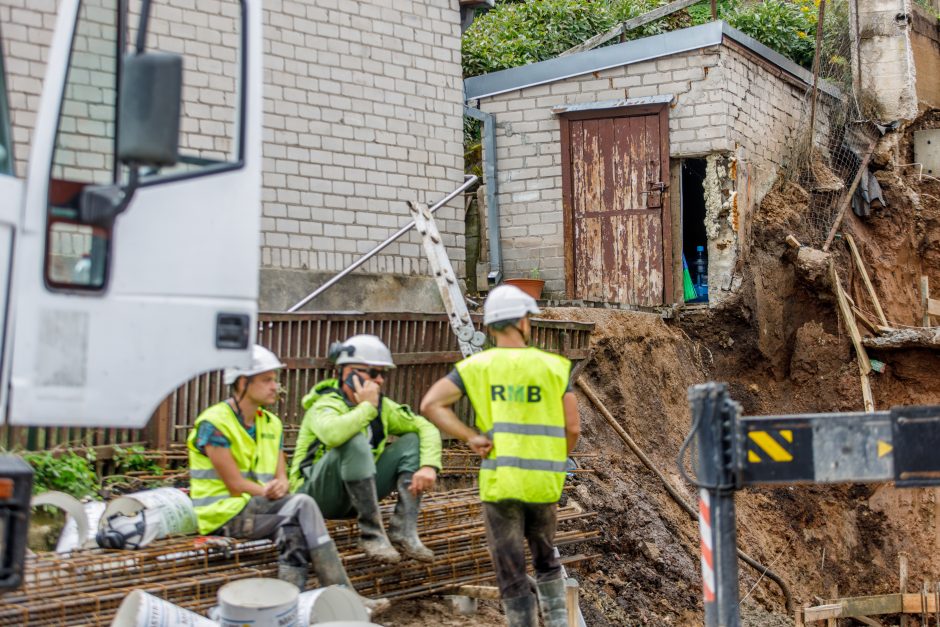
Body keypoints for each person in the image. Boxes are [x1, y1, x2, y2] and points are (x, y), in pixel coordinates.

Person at [419, 285, 580, 627]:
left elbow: (431, 404)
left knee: (511, 572)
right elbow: (573, 429)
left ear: (491, 327)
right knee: (547, 562)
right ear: (523, 322)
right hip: (543, 485)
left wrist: (470, 437)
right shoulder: (554, 367)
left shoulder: (477, 366)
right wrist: (553, 459)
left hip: (500, 483)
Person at [187, 344, 388, 614]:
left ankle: (290, 608)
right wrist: (268, 491)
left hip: (258, 510)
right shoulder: (214, 423)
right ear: (243, 382)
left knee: (293, 530)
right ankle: (346, 594)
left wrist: (281, 485)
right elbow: (234, 485)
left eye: (275, 379)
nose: (275, 386)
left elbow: (282, 475)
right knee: (302, 505)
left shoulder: (271, 423)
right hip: (223, 516)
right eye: (267, 380)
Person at [289, 334, 442, 564]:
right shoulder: (325, 405)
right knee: (353, 440)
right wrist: (367, 408)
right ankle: (371, 534)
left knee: (413, 439)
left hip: (357, 498)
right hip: (314, 497)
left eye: (383, 374)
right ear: (347, 372)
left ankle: (403, 530)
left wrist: (429, 466)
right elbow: (334, 434)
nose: (379, 380)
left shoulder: (384, 407)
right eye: (372, 373)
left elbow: (426, 427)